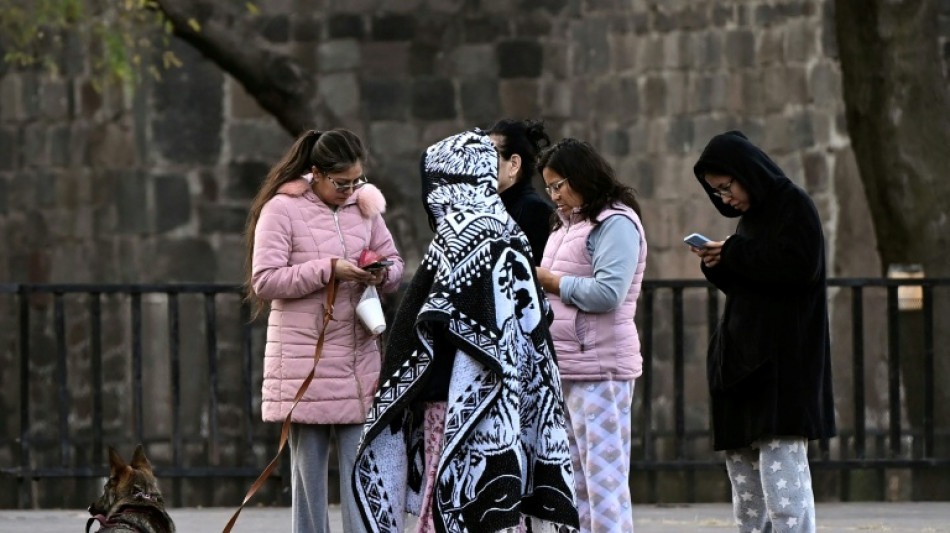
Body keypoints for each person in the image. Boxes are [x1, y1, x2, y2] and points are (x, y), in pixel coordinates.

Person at [353, 129, 579, 533]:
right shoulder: (506, 231)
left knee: (450, 499)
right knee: (492, 505)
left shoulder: (460, 239)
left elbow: (426, 322)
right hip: (507, 399)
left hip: (453, 399)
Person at [244, 128, 404, 533]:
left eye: (356, 182)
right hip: (305, 361)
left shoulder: (365, 206)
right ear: (315, 172)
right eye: (341, 183)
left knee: (360, 474)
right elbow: (265, 280)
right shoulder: (281, 209)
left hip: (355, 361)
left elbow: (396, 262)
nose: (350, 191)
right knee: (307, 478)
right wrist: (328, 269)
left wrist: (380, 273)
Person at [688, 130, 836, 533]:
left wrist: (733, 253)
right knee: (747, 492)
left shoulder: (793, 206)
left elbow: (797, 267)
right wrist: (719, 263)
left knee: (782, 484)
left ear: (747, 172)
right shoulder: (750, 221)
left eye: (727, 187)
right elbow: (753, 284)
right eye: (716, 192)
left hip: (782, 370)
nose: (724, 198)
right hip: (743, 367)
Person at [534, 138, 647, 533]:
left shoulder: (616, 223)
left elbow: (608, 293)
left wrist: (551, 280)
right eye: (548, 188)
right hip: (568, 366)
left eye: (559, 185)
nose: (554, 196)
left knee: (604, 485)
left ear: (581, 177)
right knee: (575, 485)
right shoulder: (569, 226)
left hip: (600, 369)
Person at [487, 118, 555, 265]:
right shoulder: (492, 208)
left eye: (489, 155)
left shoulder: (535, 212)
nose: (481, 163)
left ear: (514, 164)